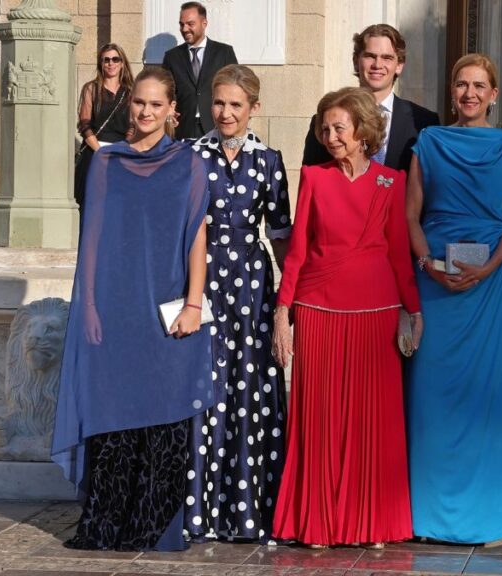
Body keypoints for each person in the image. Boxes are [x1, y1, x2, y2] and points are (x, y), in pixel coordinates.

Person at [52, 66, 213, 552]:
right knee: (114, 411)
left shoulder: (189, 164)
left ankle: (153, 525)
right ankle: (106, 525)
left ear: (172, 111)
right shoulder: (106, 162)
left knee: (163, 413)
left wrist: (193, 303)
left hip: (167, 308)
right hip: (116, 307)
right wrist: (92, 307)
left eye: (155, 105)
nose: (145, 112)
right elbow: (93, 238)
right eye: (139, 103)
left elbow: (195, 237)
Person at [271, 87, 421, 548]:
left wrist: (411, 311)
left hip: (376, 313)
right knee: (318, 422)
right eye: (325, 128)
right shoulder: (314, 177)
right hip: (318, 311)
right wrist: (283, 311)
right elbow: (296, 251)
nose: (331, 136)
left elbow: (399, 254)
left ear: (363, 132)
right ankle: (315, 522)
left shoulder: (391, 182)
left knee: (370, 424)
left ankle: (373, 522)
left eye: (339, 127)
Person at [404, 53, 502, 544]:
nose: (469, 94)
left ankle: (493, 511)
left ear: (494, 93)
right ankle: (428, 513)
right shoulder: (430, 141)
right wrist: (427, 265)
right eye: (461, 85)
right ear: (452, 91)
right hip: (435, 284)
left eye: (479, 85)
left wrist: (488, 267)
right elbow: (411, 215)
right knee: (432, 397)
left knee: (490, 398)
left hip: (491, 285)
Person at [182, 64, 292, 543]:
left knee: (250, 389)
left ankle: (253, 513)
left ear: (254, 109)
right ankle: (199, 512)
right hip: (201, 283)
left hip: (253, 286)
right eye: (219, 103)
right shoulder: (190, 155)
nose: (225, 113)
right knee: (204, 387)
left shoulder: (269, 160)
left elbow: (284, 235)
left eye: (235, 105)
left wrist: (289, 302)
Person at [302, 24, 439, 172]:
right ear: (356, 61)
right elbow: (311, 179)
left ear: (399, 65)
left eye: (387, 58)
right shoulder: (325, 121)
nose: (377, 65)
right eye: (370, 56)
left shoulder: (424, 122)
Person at [74, 43, 133, 224]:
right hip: (95, 151)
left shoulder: (130, 91)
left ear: (122, 63)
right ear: (100, 63)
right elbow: (84, 124)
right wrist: (99, 150)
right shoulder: (91, 89)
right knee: (92, 205)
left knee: (119, 204)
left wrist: (123, 147)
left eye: (115, 59)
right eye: (106, 60)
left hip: (121, 152)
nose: (110, 63)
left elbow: (134, 124)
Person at [163, 1, 239, 139]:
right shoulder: (171, 57)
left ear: (204, 23)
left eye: (190, 24)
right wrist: (168, 110)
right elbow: (166, 91)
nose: (184, 29)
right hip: (182, 128)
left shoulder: (224, 53)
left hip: (217, 127)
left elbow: (237, 89)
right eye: (181, 24)